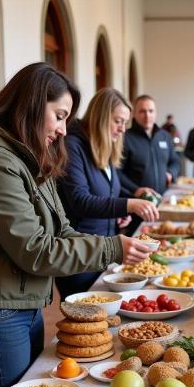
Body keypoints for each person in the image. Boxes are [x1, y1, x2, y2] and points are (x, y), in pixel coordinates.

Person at [0, 63, 152, 387]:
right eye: (60, 116)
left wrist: (113, 247)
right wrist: (112, 248)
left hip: (15, 308)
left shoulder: (23, 156)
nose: (64, 129)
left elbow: (62, 229)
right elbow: (35, 250)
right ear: (32, 106)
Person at [55, 88, 159, 298]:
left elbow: (111, 188)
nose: (122, 130)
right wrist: (128, 205)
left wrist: (116, 213)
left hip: (104, 249)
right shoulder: (72, 146)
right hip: (80, 255)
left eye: (124, 123)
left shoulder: (102, 145)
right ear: (101, 117)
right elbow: (79, 201)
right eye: (118, 121)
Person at [118, 95, 180, 197]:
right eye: (142, 111)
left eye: (151, 111)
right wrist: (136, 190)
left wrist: (171, 173)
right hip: (137, 202)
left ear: (156, 113)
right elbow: (117, 172)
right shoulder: (124, 138)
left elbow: (175, 161)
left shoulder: (165, 136)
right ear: (134, 113)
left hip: (162, 200)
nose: (147, 115)